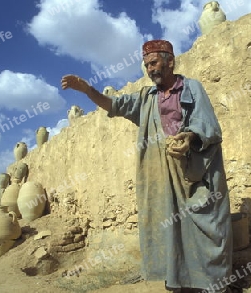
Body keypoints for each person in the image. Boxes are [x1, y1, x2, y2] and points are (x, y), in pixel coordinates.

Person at [61, 40, 233, 293]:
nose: (150, 69)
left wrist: (189, 137)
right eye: (146, 65)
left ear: (170, 61)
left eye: (154, 63)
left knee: (206, 229)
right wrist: (88, 90)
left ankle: (213, 286)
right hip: (162, 175)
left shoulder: (192, 88)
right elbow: (114, 105)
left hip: (192, 172)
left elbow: (209, 126)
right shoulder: (146, 97)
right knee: (172, 230)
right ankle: (181, 283)